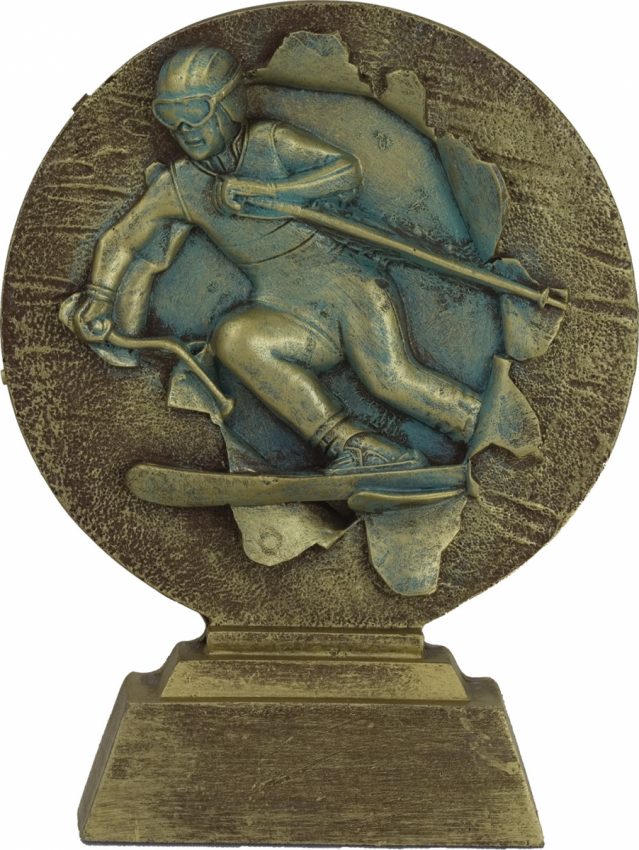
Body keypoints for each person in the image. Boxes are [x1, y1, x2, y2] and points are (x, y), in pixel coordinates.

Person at [74, 46, 485, 473]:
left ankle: (486, 426)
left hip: (347, 290)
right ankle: (361, 448)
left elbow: (345, 171)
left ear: (230, 105)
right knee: (236, 338)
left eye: (195, 111)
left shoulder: (271, 143)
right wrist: (99, 298)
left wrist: (273, 193)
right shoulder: (181, 185)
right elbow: (122, 239)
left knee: (390, 380)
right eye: (169, 115)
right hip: (287, 310)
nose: (184, 129)